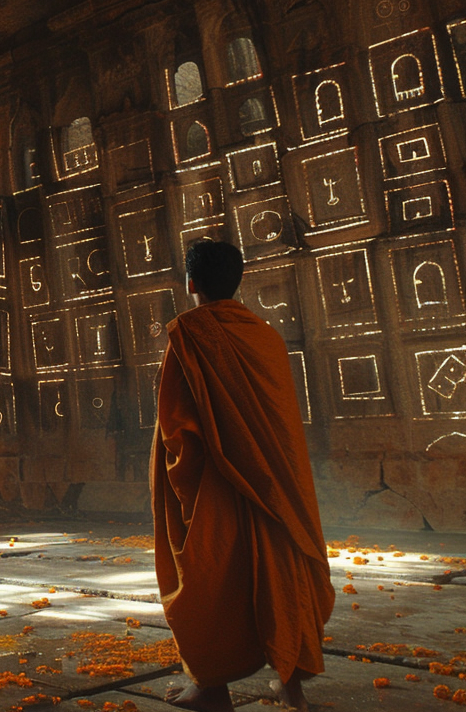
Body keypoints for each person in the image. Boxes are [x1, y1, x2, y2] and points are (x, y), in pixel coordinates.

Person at [151, 240, 335, 712]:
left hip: (217, 485)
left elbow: (177, 426)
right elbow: (282, 423)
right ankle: (290, 684)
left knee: (211, 578)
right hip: (276, 486)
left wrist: (175, 476)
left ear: (191, 283)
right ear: (237, 281)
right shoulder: (266, 338)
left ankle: (210, 687)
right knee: (282, 571)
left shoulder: (190, 336)